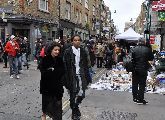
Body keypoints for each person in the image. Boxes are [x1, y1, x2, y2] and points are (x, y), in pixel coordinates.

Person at [63, 35, 90, 120]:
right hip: (72, 76)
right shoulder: (68, 51)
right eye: (75, 40)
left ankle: (76, 107)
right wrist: (66, 79)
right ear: (72, 41)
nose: (77, 42)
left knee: (82, 94)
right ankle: (74, 112)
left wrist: (87, 77)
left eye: (78, 40)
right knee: (73, 95)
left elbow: (86, 65)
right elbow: (65, 66)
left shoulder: (82, 51)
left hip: (81, 75)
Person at [39, 42, 65, 120]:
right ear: (51, 50)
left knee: (57, 110)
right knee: (47, 107)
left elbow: (63, 72)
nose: (57, 52)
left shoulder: (60, 60)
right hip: (47, 89)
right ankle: (44, 115)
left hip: (57, 88)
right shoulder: (45, 60)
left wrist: (53, 70)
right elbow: (44, 74)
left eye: (58, 50)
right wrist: (53, 71)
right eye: (55, 50)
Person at [131, 38, 154, 105]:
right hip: (143, 69)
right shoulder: (147, 49)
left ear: (138, 42)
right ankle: (140, 99)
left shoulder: (133, 49)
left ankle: (135, 98)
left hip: (135, 69)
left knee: (134, 84)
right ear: (144, 42)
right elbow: (151, 58)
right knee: (142, 84)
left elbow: (130, 59)